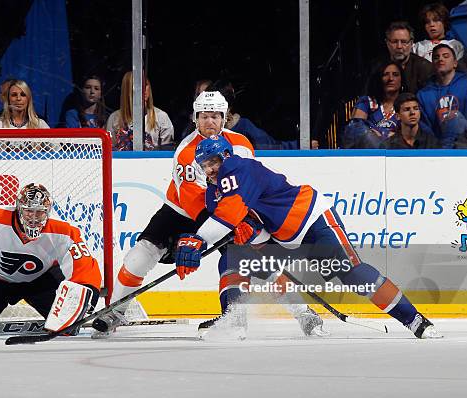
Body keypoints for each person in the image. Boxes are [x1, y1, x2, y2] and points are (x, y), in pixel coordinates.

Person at [93, 91, 325, 337]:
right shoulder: (185, 151)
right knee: (142, 253)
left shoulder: (241, 145)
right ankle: (115, 311)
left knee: (259, 261)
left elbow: (247, 187)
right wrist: (223, 229)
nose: (210, 122)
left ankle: (302, 312)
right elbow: (194, 201)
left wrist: (241, 219)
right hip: (182, 210)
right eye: (204, 116)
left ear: (224, 118)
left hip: (226, 211)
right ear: (196, 118)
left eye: (215, 116)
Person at [175, 137, 442, 339]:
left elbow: (230, 214)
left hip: (313, 220)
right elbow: (252, 228)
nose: (210, 169)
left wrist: (199, 239)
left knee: (351, 273)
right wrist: (252, 234)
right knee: (233, 258)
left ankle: (414, 320)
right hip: (284, 237)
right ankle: (234, 319)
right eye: (205, 165)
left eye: (214, 162)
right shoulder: (213, 195)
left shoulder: (239, 168)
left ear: (226, 156)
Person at [0, 183, 101, 330]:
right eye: (29, 211)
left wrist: (87, 294)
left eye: (40, 213)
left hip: (41, 282)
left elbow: (85, 266)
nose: (34, 218)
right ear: (19, 208)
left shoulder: (64, 232)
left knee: (67, 324)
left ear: (48, 212)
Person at [215, 79, 299, 150]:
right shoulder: (204, 133)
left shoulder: (243, 127)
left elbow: (272, 147)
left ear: (228, 108)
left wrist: (302, 144)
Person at [344, 61, 406, 148]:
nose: (390, 78)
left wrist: (377, 133)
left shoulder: (407, 105)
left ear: (401, 79)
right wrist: (386, 133)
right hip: (369, 155)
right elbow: (355, 129)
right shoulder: (366, 102)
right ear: (379, 79)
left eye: (395, 74)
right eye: (385, 74)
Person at [417, 43, 467, 149]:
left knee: (455, 117)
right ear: (432, 64)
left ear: (455, 63)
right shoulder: (423, 94)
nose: (440, 59)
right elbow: (425, 128)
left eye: (445, 56)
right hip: (436, 149)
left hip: (465, 146)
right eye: (436, 57)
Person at [106, 71, 174, 150]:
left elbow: (167, 152)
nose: (143, 90)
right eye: (137, 86)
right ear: (127, 89)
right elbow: (110, 150)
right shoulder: (114, 118)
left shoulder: (161, 117)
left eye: (145, 85)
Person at [375, 21, 434, 94]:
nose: (399, 46)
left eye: (404, 42)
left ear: (411, 43)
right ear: (387, 43)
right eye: (394, 42)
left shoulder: (425, 68)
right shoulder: (376, 67)